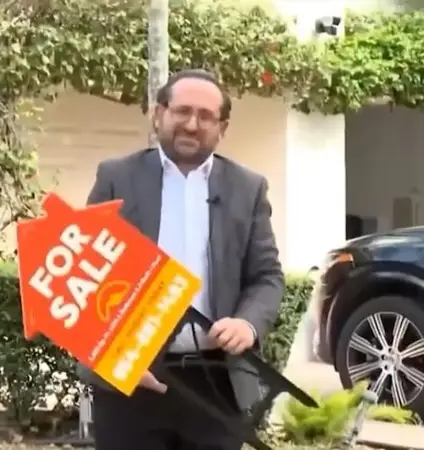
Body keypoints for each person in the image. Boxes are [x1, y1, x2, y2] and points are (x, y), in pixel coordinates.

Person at [79, 69, 285, 450]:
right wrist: (114, 357)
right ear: (158, 114)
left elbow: (266, 276)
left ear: (222, 128)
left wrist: (247, 323)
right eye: (182, 111)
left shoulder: (248, 188)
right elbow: (85, 275)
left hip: (217, 383)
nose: (192, 124)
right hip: (130, 379)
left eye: (206, 116)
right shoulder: (116, 177)